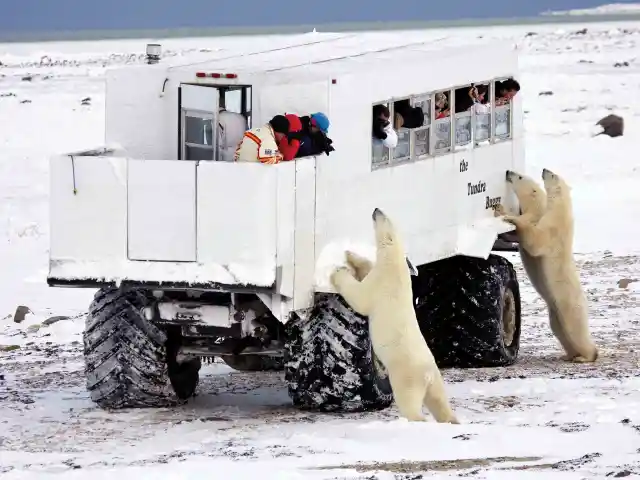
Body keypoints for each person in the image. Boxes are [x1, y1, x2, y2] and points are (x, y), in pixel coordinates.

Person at [217, 90, 248, 162]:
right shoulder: (240, 117)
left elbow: (218, 143)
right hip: (242, 156)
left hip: (226, 158)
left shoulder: (218, 118)